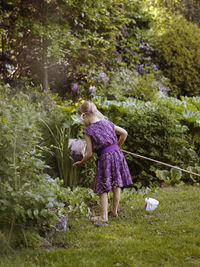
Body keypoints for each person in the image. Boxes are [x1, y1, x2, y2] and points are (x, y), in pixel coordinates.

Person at [73, 101, 133, 223]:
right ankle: (114, 211)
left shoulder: (88, 131)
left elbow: (89, 154)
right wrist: (117, 146)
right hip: (117, 155)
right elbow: (124, 133)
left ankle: (103, 217)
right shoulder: (108, 123)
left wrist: (81, 162)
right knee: (116, 185)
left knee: (103, 187)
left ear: (84, 116)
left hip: (105, 158)